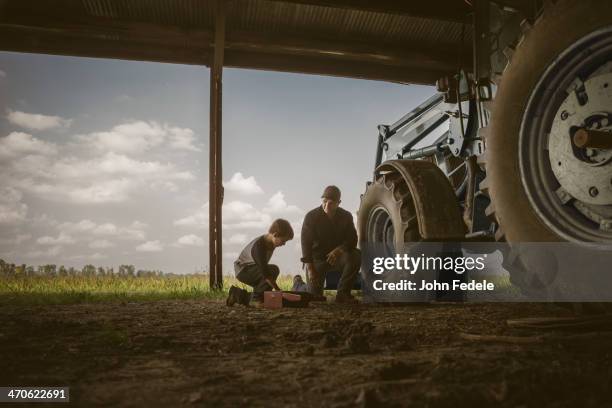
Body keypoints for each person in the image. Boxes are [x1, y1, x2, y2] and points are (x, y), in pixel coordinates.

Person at [301, 185, 361, 303]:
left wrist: (339, 250)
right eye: (324, 201)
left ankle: (343, 294)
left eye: (331, 202)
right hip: (317, 260)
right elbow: (305, 243)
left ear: (339, 203)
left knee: (355, 255)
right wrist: (310, 268)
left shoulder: (346, 216)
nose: (327, 206)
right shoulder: (311, 216)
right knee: (314, 298)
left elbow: (353, 240)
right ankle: (298, 283)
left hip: (338, 258)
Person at [226, 218, 294, 306]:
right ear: (275, 234)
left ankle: (237, 295)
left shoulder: (270, 242)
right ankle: (255, 299)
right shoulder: (259, 247)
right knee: (273, 270)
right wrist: (278, 290)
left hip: (253, 270)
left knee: (264, 293)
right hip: (243, 271)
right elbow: (266, 274)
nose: (284, 244)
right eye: (283, 241)